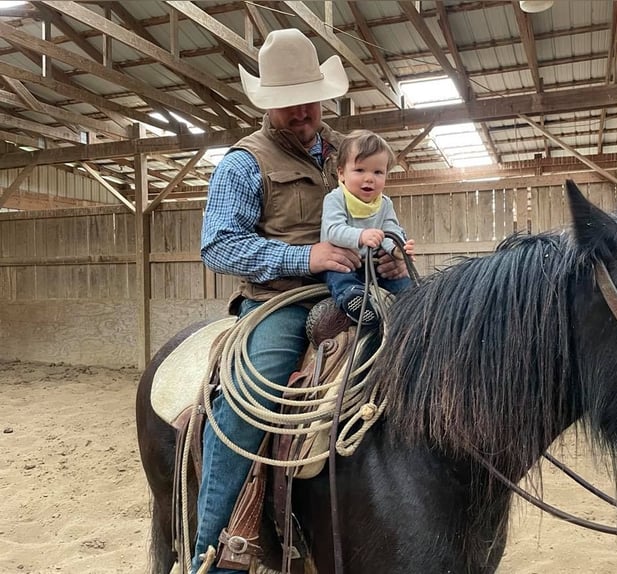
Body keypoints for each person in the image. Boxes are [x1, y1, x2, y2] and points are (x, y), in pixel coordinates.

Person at [196, 29, 409, 573]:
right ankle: (212, 549)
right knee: (247, 400)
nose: (302, 111)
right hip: (281, 301)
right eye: (288, 102)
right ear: (269, 103)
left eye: (309, 97)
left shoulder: (352, 152)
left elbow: (379, 213)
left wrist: (388, 255)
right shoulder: (245, 163)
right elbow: (218, 245)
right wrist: (305, 259)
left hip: (363, 286)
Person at [321, 130, 415, 325]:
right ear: (341, 173)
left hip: (374, 265)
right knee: (339, 277)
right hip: (343, 262)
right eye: (360, 170)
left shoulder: (385, 203)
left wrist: (397, 248)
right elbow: (333, 230)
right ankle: (354, 301)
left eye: (378, 172)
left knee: (405, 284)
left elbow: (391, 229)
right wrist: (361, 236)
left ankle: (413, 309)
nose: (369, 178)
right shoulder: (335, 199)